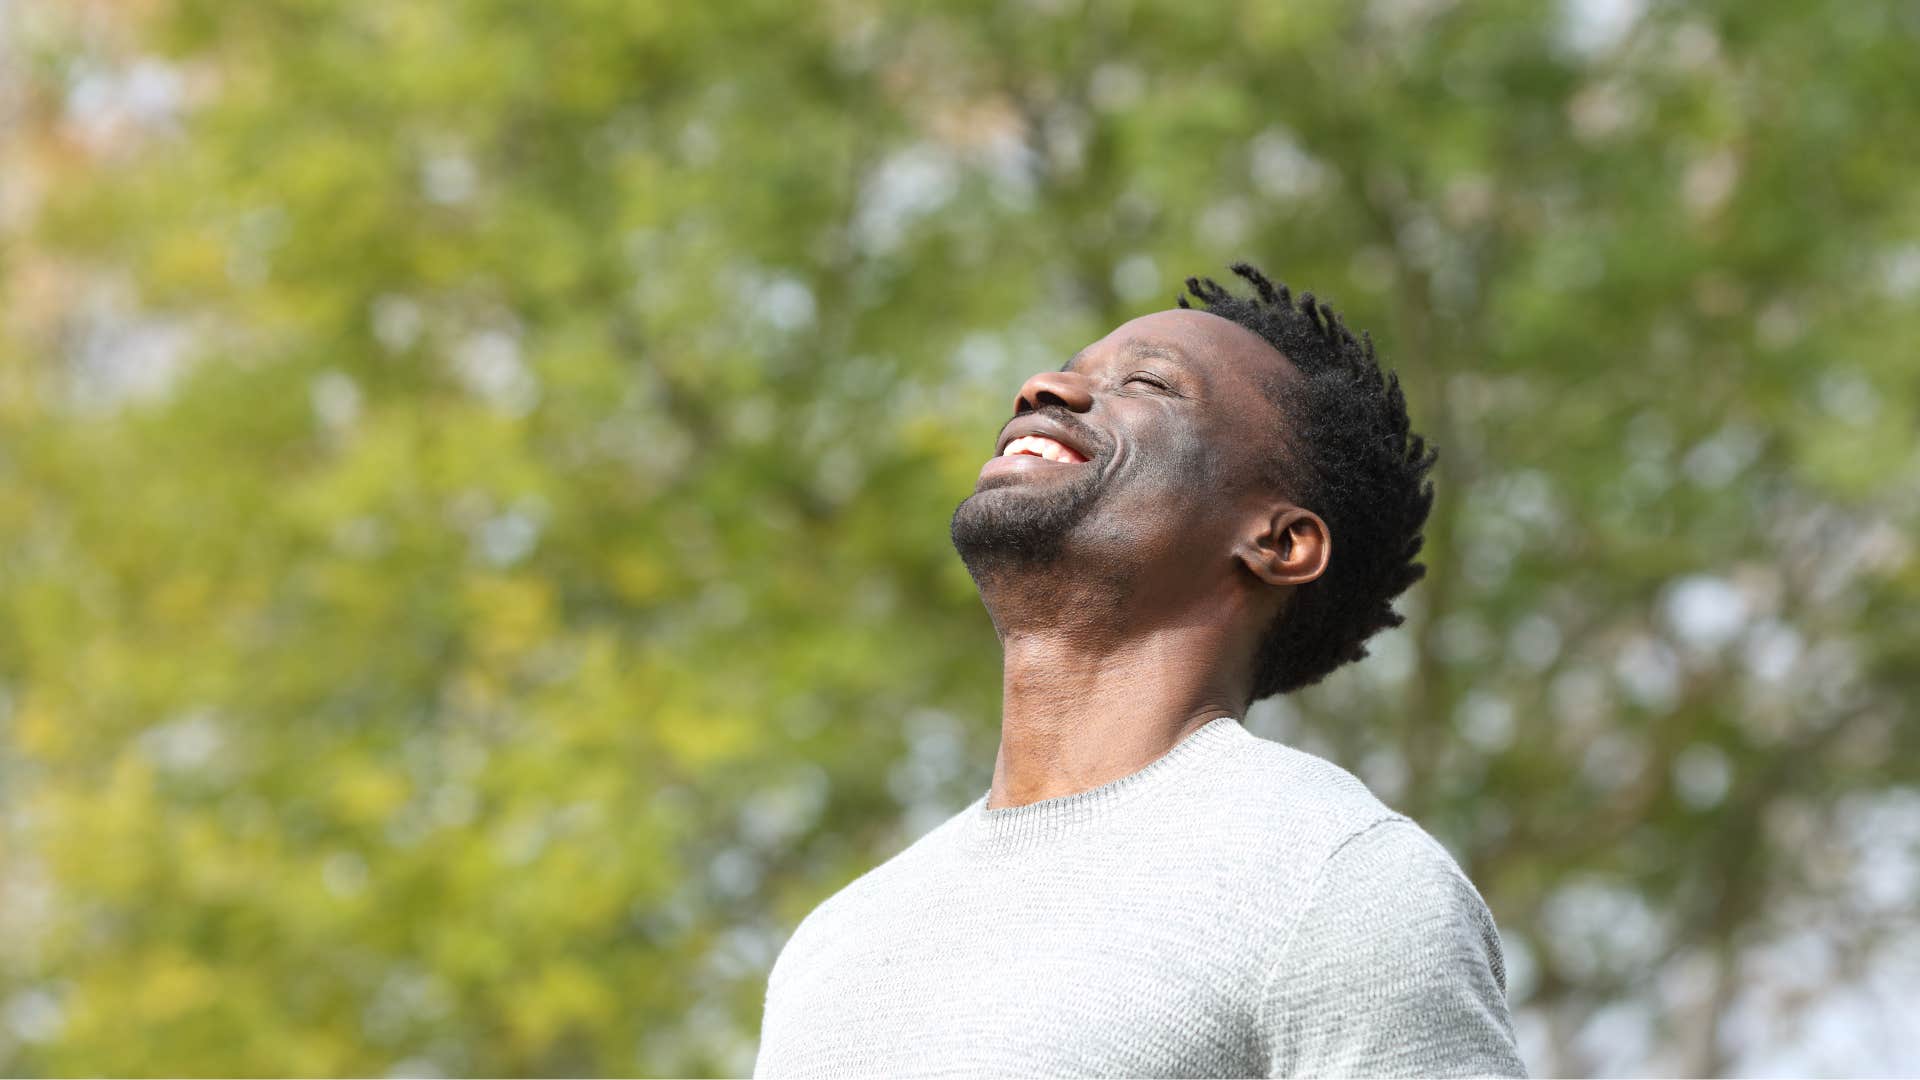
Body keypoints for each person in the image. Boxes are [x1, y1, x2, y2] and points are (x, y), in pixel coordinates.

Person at [752, 263, 1526, 1078]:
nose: (1042, 388)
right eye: (1068, 370)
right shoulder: (838, 939)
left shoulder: (1339, 879)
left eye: (1148, 383)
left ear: (1279, 541)